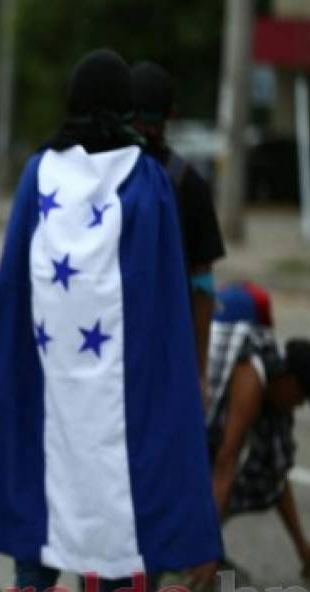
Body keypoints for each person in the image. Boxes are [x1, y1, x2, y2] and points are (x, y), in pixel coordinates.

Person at [0, 49, 223, 592]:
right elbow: (162, 307)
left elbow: (12, 293)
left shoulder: (37, 173)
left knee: (34, 547)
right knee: (112, 553)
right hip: (116, 418)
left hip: (45, 403)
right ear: (126, 108)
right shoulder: (148, 181)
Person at [188, 281, 310, 591]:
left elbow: (277, 476)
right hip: (173, 415)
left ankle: (193, 546)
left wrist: (302, 547)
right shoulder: (252, 380)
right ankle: (185, 554)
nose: (300, 404)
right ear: (289, 380)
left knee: (260, 464)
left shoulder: (274, 397)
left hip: (200, 431)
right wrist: (206, 548)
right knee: (217, 465)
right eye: (302, 395)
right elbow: (226, 463)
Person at [130, 61, 226, 405]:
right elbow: (203, 286)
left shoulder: (100, 175)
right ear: (172, 113)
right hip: (169, 350)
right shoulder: (189, 182)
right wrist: (199, 371)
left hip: (105, 347)